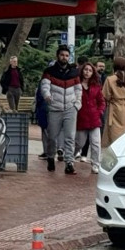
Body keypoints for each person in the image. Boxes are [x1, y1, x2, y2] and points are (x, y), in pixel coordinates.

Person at [39, 45, 81, 175]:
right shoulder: (49, 71)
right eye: (62, 55)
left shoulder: (74, 73)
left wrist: (77, 104)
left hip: (70, 108)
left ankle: (69, 163)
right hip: (54, 108)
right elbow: (45, 86)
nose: (65, 57)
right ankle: (51, 157)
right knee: (52, 137)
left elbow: (78, 89)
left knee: (70, 137)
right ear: (58, 56)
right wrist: (47, 96)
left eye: (67, 56)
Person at [75, 62, 106, 174]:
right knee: (79, 143)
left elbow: (101, 101)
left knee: (96, 143)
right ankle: (71, 156)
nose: (87, 72)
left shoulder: (96, 86)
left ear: (93, 73)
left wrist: (100, 111)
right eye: (85, 70)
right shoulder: (76, 85)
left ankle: (95, 164)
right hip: (81, 118)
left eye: (90, 70)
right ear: (82, 71)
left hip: (94, 118)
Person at [34, 86, 49, 160]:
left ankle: (47, 152)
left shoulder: (43, 84)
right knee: (46, 130)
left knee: (45, 131)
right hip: (46, 108)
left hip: (44, 109)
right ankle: (47, 151)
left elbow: (39, 97)